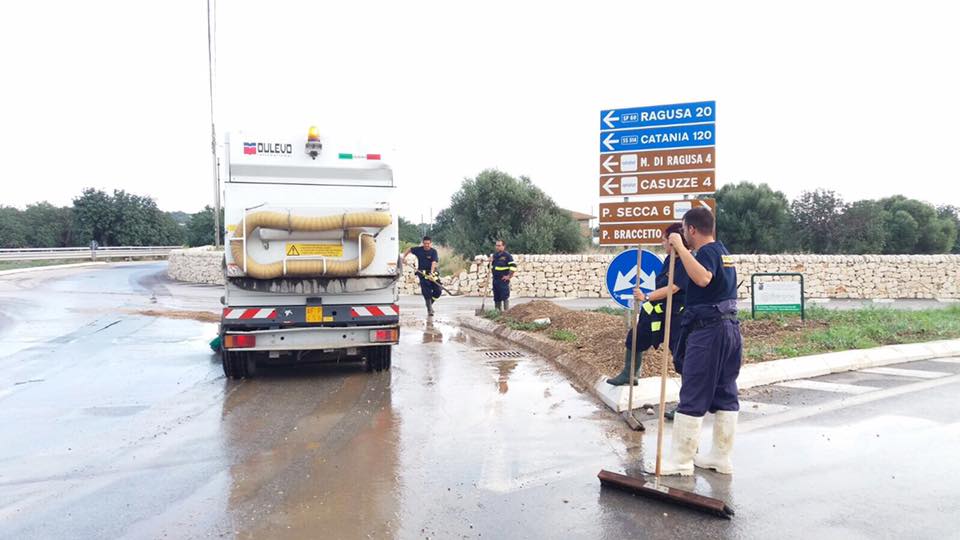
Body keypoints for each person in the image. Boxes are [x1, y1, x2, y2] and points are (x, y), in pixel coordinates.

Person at [654, 207, 742, 476]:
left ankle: (680, 460)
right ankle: (720, 456)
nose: (681, 235)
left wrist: (680, 249)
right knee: (725, 392)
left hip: (709, 331)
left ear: (692, 229)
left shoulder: (705, 253)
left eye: (683, 230)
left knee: (693, 390)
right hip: (728, 329)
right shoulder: (723, 251)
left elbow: (703, 278)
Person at [606, 223, 689, 386]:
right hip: (657, 313)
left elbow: (672, 287)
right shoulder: (668, 259)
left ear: (673, 241)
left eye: (664, 240)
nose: (662, 243)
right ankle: (630, 375)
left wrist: (646, 296)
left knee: (681, 355)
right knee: (635, 338)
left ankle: (687, 401)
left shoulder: (686, 261)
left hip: (676, 316)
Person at [403, 236, 442, 317]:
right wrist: (404, 257)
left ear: (430, 243)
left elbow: (433, 262)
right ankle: (429, 309)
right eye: (425, 244)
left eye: (428, 244)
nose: (426, 245)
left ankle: (429, 303)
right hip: (422, 273)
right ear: (423, 243)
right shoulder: (419, 250)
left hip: (432, 272)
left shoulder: (433, 252)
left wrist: (431, 273)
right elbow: (410, 249)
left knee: (438, 290)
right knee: (426, 291)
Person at [490, 240, 517, 312]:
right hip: (495, 279)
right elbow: (491, 267)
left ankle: (506, 312)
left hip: (503, 280)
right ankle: (497, 312)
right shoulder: (495, 255)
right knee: (496, 296)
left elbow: (513, 266)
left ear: (503, 246)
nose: (497, 247)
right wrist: (490, 262)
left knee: (504, 296)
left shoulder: (507, 256)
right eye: (496, 245)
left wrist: (509, 276)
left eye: (499, 245)